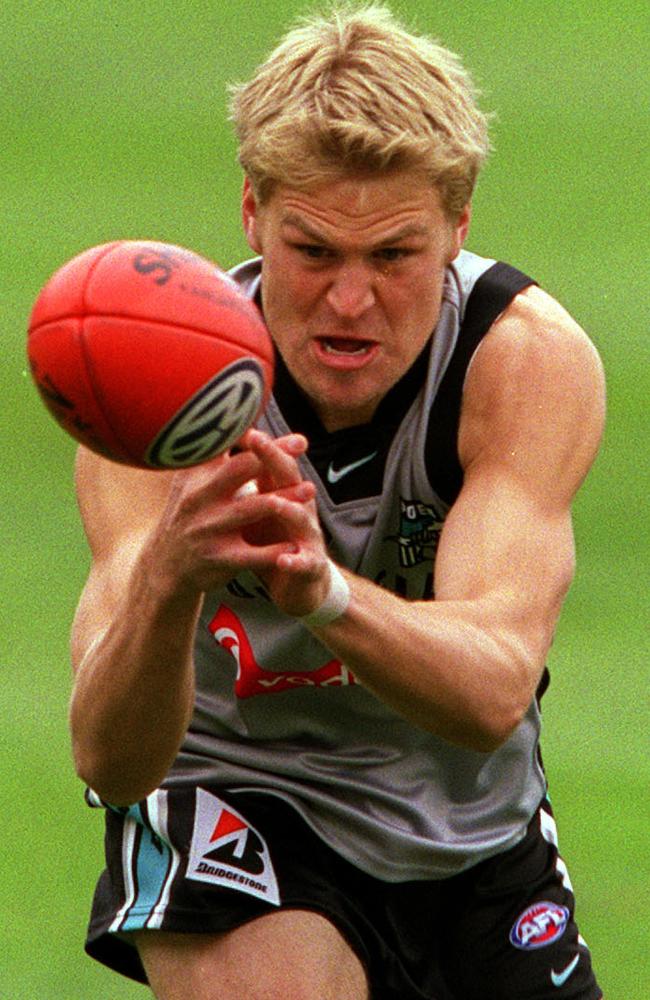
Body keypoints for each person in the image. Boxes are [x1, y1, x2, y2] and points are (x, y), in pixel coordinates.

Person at [70, 5, 605, 998]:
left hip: (466, 827)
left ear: (457, 224)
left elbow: (492, 692)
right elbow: (108, 756)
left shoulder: (519, 363)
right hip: (232, 792)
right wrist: (169, 576)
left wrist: (322, 592)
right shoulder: (154, 397)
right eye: (311, 250)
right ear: (251, 213)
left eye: (393, 256)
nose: (349, 302)